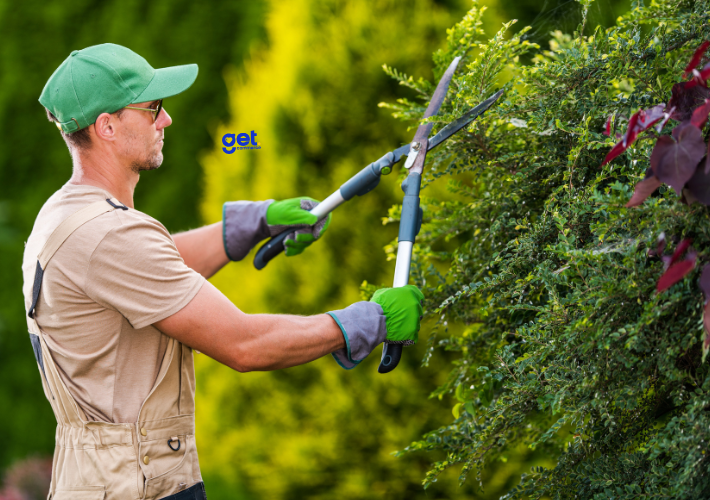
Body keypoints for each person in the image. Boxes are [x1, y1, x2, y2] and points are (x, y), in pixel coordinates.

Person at [22, 44, 423, 500]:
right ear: (107, 126)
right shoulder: (110, 235)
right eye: (152, 108)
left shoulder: (66, 216)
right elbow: (245, 345)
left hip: (100, 481)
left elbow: (152, 269)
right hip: (139, 488)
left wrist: (254, 221)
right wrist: (370, 321)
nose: (166, 120)